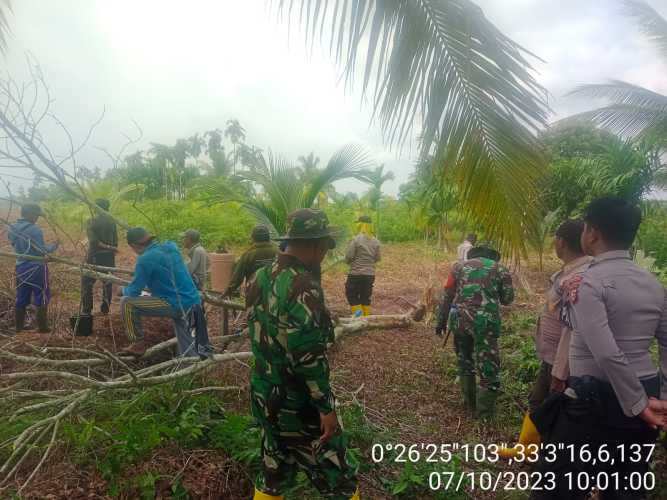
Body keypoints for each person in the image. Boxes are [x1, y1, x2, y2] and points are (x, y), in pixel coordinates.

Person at [531, 197, 667, 500]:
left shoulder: (587, 282)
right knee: (625, 486)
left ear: (591, 233)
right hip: (646, 391)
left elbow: (606, 351)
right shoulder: (654, 284)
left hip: (595, 398)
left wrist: (638, 405)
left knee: (556, 488)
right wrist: (660, 400)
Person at [246, 209, 359, 500]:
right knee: (340, 479)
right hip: (297, 404)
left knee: (274, 471)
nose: (324, 255)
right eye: (324, 247)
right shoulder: (303, 286)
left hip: (264, 395)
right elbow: (307, 357)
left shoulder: (259, 276)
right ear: (315, 244)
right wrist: (326, 408)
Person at [499, 220, 591, 458]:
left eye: (555, 238)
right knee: (541, 400)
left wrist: (560, 369)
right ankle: (530, 450)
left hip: (565, 356)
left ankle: (544, 457)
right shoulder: (568, 271)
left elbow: (574, 328)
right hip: (554, 353)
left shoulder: (579, 276)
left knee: (551, 404)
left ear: (561, 241)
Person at [436, 245, 514, 418]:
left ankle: (469, 403)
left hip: (460, 322)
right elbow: (508, 299)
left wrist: (440, 321)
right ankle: (484, 415)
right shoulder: (500, 268)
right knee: (488, 367)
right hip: (485, 324)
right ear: (493, 257)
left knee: (465, 361)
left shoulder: (458, 267)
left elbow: (447, 296)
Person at [120, 227, 212, 358]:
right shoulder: (171, 246)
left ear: (133, 245)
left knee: (127, 303)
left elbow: (133, 292)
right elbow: (164, 271)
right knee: (193, 350)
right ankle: (195, 373)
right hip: (194, 301)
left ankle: (138, 343)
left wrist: (122, 290)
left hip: (174, 303)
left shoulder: (145, 259)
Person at [8, 203, 58, 333]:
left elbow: (16, 245)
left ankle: (18, 327)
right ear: (30, 214)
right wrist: (53, 246)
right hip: (37, 267)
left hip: (20, 266)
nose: (37, 218)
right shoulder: (35, 229)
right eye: (36, 215)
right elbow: (41, 250)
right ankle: (42, 327)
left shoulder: (12, 228)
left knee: (21, 295)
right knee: (42, 293)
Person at [81, 199, 118, 316]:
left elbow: (93, 241)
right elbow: (116, 241)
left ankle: (87, 310)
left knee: (87, 282)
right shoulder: (112, 221)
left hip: (95, 255)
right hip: (109, 256)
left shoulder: (91, 221)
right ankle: (105, 309)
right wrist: (111, 248)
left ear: (95, 208)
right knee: (107, 282)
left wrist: (107, 247)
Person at [344, 215, 381, 317]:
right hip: (370, 274)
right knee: (365, 297)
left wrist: (347, 261)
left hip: (356, 274)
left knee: (351, 295)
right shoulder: (376, 241)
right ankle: (366, 318)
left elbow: (349, 256)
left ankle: (359, 316)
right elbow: (377, 258)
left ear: (361, 225)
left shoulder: (356, 240)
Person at [225, 224, 277, 296]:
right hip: (274, 292)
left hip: (254, 293)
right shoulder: (277, 252)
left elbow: (237, 278)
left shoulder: (248, 255)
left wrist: (227, 292)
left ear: (253, 238)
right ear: (268, 237)